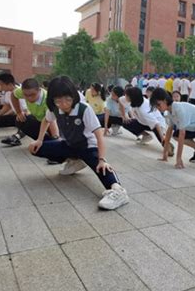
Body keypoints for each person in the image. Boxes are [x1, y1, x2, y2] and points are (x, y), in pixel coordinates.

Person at [28, 76, 129, 210]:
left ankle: (118, 191)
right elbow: (46, 120)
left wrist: (102, 159)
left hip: (88, 147)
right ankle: (75, 160)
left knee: (101, 166)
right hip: (69, 145)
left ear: (74, 96)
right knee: (34, 148)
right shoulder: (54, 109)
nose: (63, 104)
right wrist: (39, 140)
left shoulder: (83, 109)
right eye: (58, 101)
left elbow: (99, 135)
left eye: (67, 99)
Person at [124, 87, 174, 154]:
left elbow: (156, 124)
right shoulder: (137, 101)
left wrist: (162, 138)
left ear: (132, 97)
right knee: (126, 122)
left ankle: (168, 145)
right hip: (144, 123)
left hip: (158, 124)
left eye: (126, 95)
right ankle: (146, 136)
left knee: (166, 148)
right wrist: (126, 116)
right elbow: (121, 102)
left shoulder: (143, 110)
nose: (125, 96)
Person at [10, 78, 59, 145]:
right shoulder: (24, 91)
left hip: (54, 123)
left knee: (56, 139)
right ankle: (43, 142)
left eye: (32, 95)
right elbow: (13, 95)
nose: (29, 98)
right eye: (26, 95)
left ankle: (53, 143)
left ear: (39, 90)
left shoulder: (47, 99)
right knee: (20, 120)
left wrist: (55, 139)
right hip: (40, 120)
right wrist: (19, 112)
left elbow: (51, 121)